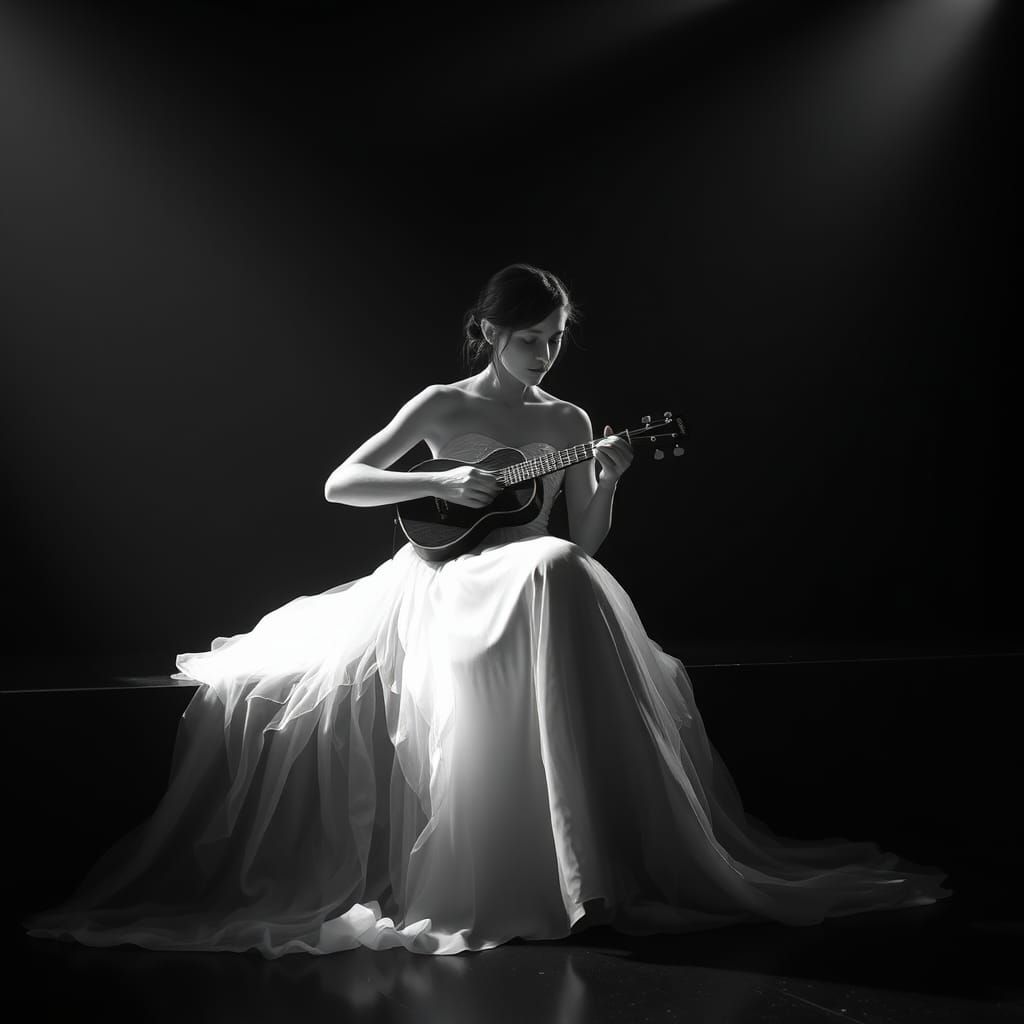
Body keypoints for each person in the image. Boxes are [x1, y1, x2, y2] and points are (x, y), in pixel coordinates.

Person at [23, 263, 951, 958]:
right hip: (443, 578)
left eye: (554, 338)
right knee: (547, 571)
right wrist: (452, 478)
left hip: (536, 575)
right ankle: (519, 872)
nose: (544, 353)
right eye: (529, 338)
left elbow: (582, 540)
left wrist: (609, 478)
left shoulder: (571, 422)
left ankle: (585, 867)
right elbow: (342, 482)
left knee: (557, 569)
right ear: (489, 332)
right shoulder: (441, 402)